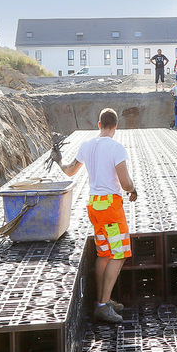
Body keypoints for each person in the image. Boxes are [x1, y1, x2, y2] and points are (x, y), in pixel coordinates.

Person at [52, 108, 137, 324]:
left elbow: (70, 171)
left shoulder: (87, 145)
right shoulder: (116, 148)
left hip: (94, 206)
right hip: (111, 208)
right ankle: (102, 305)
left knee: (105, 254)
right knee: (119, 254)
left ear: (99, 125)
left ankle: (102, 300)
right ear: (115, 126)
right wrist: (133, 190)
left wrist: (58, 160)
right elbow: (125, 183)